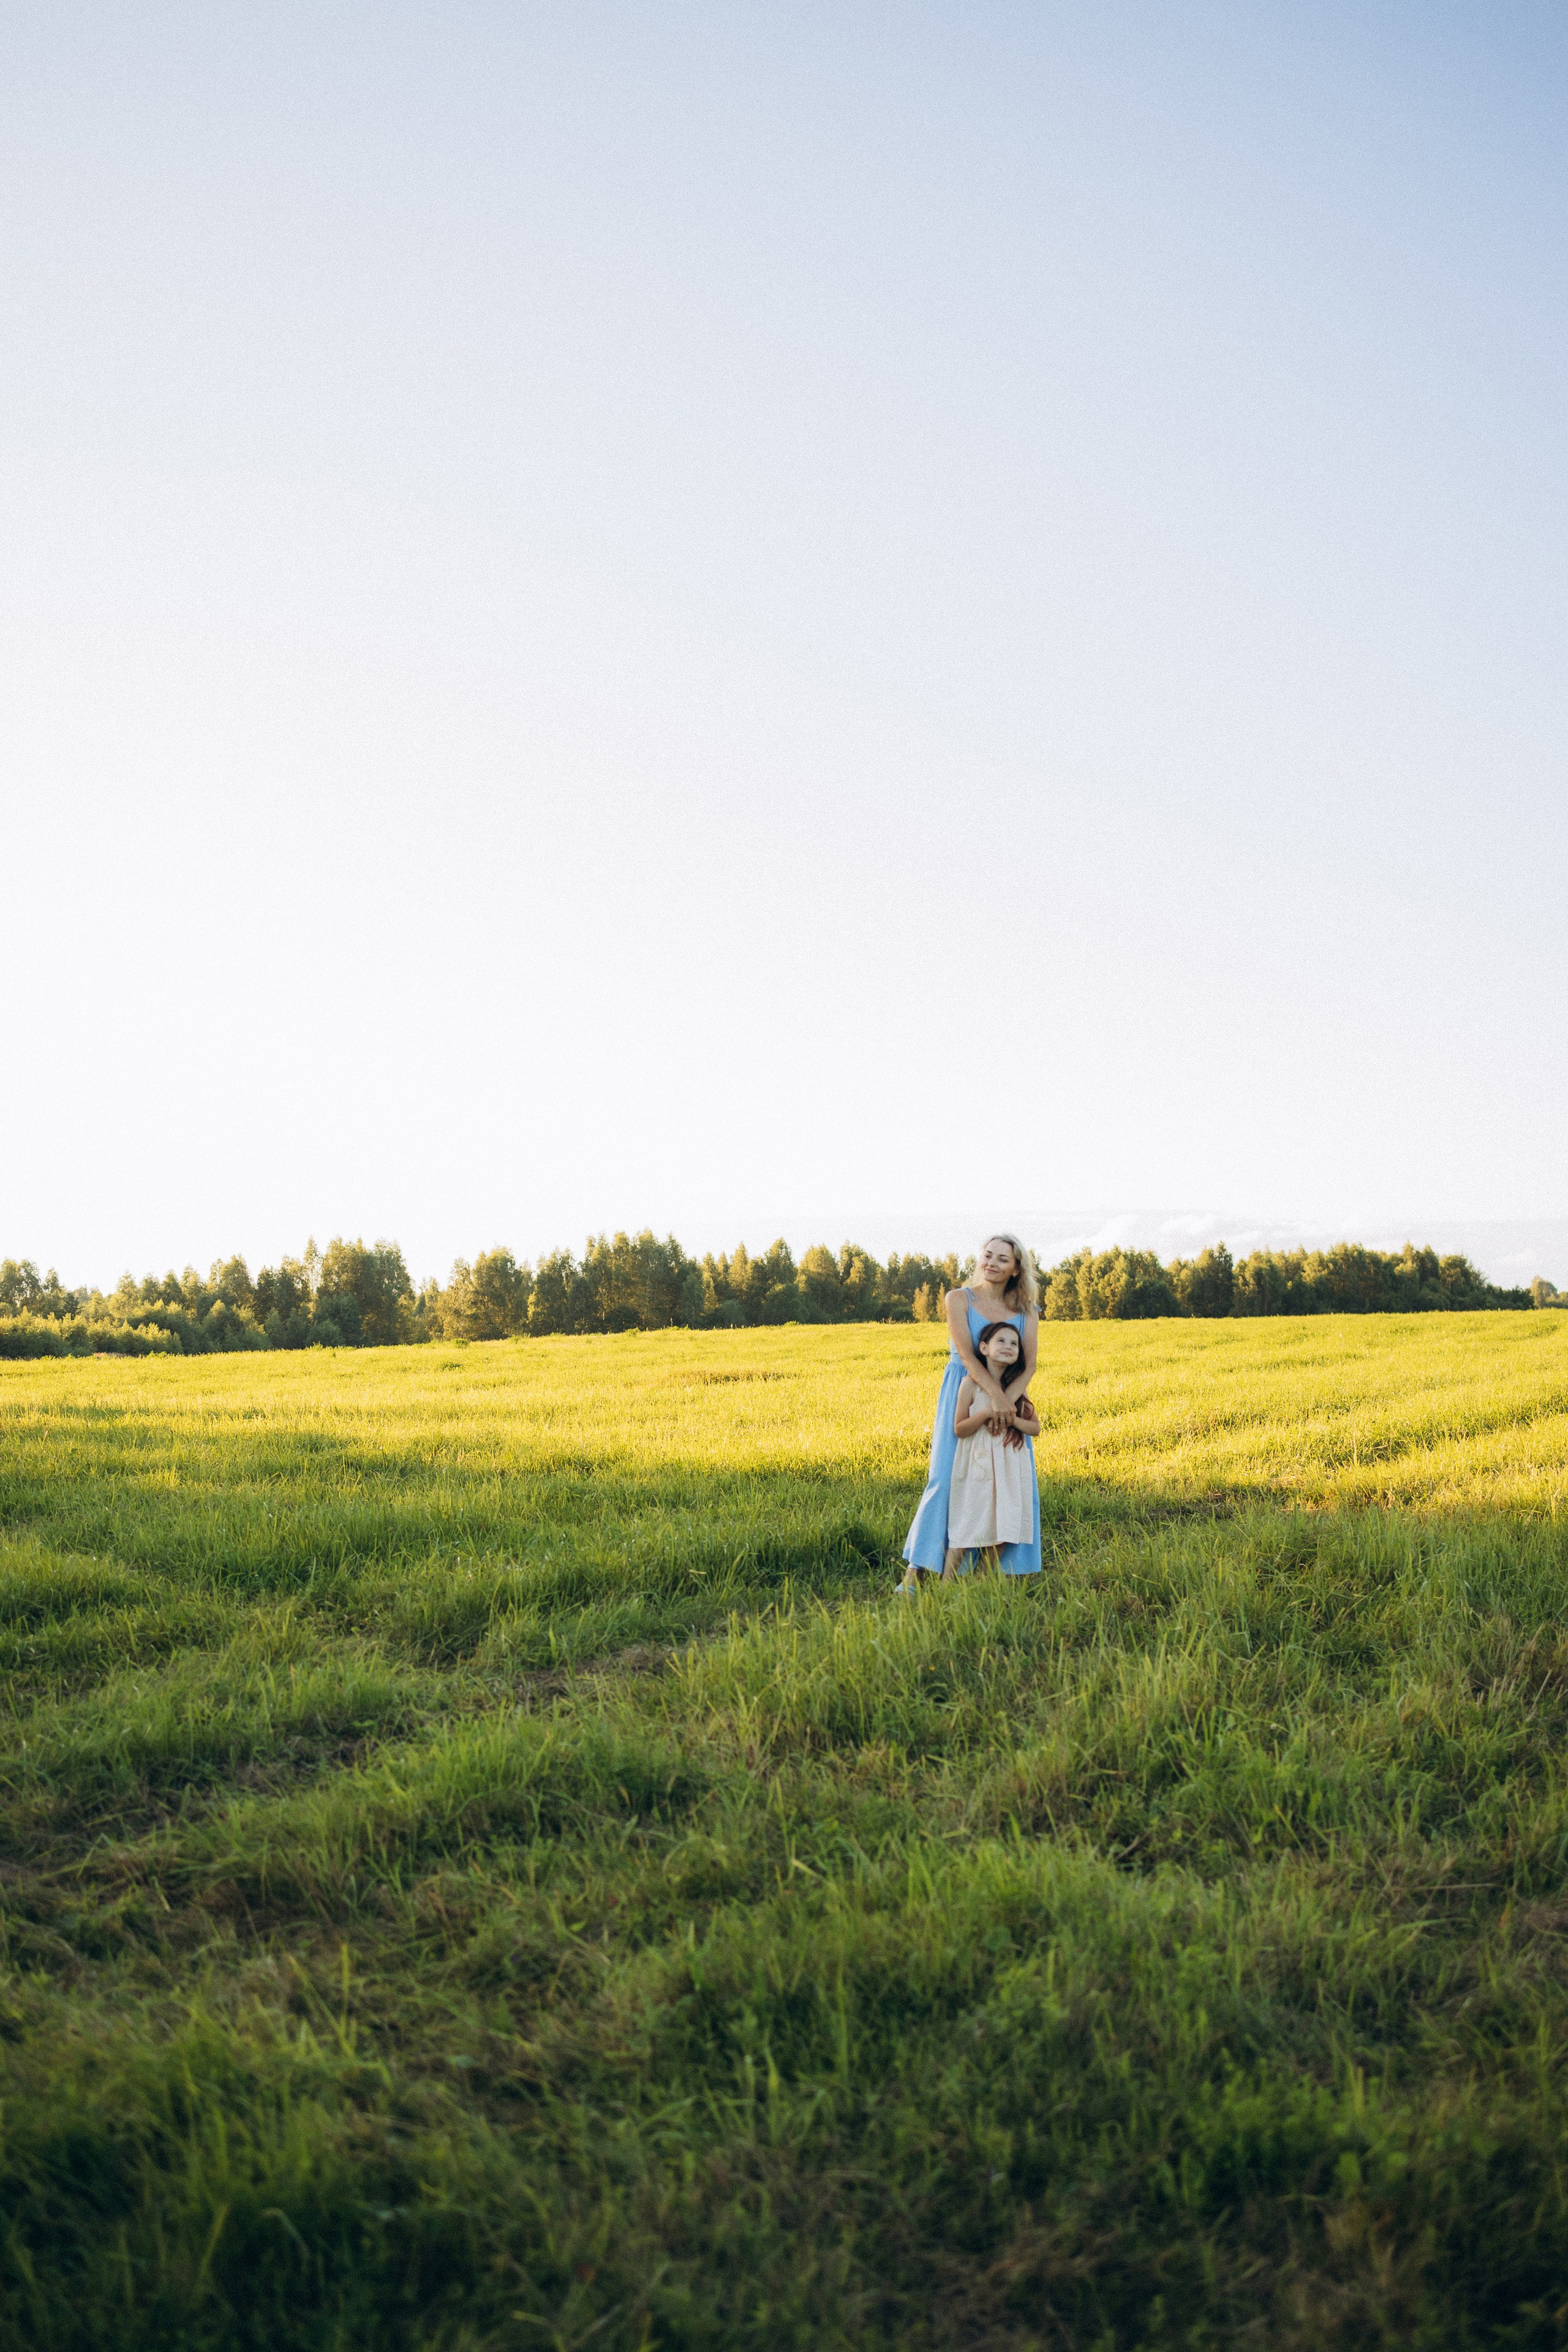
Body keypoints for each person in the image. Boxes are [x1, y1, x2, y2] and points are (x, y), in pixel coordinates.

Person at [896, 1232, 1042, 1592]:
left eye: (1002, 1259)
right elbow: (966, 1354)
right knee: (944, 1478)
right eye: (988, 1255)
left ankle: (994, 1573)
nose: (991, 1263)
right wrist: (994, 1398)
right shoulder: (959, 1299)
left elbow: (1029, 1365)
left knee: (1006, 1483)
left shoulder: (1027, 1311)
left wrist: (1007, 1401)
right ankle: (916, 1573)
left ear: (1016, 1269)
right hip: (964, 1392)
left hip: (1010, 1394)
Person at [943, 1321, 1042, 1575]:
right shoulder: (970, 1385)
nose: (1009, 1346)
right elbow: (960, 1429)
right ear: (984, 1348)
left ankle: (982, 1581)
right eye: (1001, 1341)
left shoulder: (1017, 1388)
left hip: (1009, 1465)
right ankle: (945, 1585)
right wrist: (987, 1412)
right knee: (968, 1523)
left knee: (1005, 1527)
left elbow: (1035, 1428)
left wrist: (1012, 1419)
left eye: (1014, 1343)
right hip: (978, 1463)